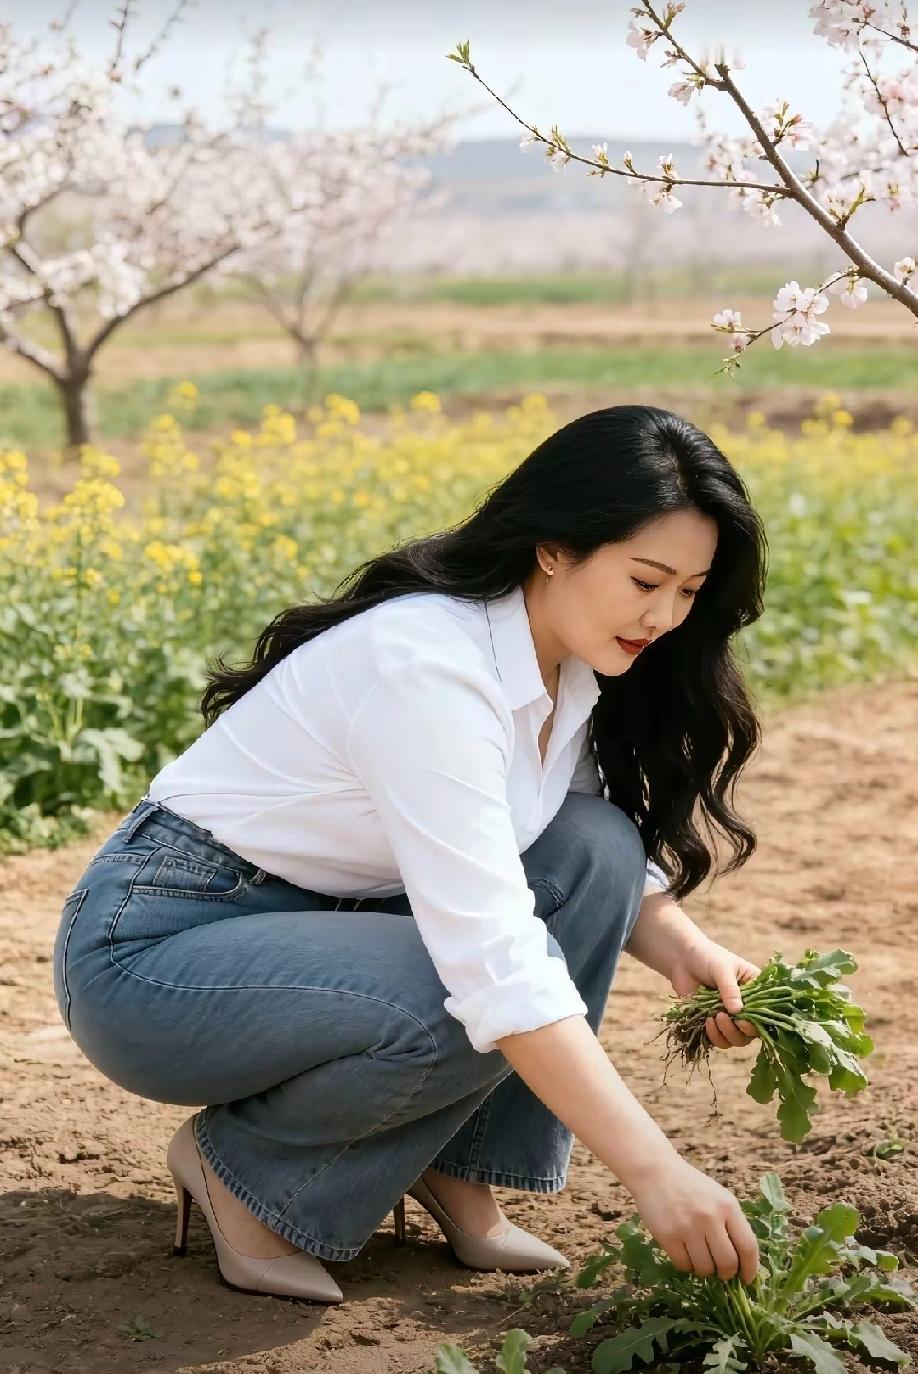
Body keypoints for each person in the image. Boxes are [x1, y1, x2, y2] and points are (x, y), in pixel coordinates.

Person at [52, 402, 765, 1307]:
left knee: (596, 847)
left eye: (690, 591)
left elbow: (582, 842)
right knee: (469, 987)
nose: (664, 616)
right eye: (644, 580)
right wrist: (658, 1174)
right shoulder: (430, 667)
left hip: (324, 926)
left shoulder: (571, 662)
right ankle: (248, 1174)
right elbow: (495, 963)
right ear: (554, 547)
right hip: (156, 952)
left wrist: (685, 950)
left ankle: (451, 1163)